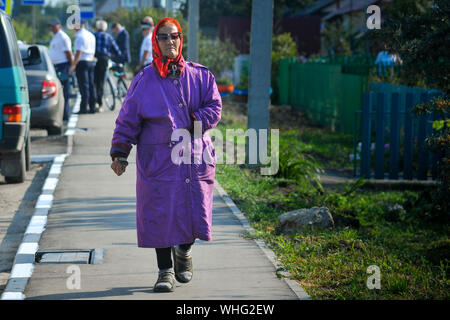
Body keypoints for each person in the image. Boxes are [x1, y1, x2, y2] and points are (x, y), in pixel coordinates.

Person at [110, 17, 222, 293]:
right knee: (159, 213)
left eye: (174, 36)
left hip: (194, 159)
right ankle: (165, 272)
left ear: (180, 39)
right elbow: (128, 119)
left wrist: (191, 123)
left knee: (193, 209)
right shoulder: (145, 80)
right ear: (155, 41)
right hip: (157, 160)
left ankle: (183, 251)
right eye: (163, 37)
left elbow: (215, 107)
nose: (170, 42)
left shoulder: (201, 76)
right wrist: (120, 151)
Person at [69, 19, 97, 114]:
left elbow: (78, 52)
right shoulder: (91, 35)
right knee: (91, 85)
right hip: (90, 60)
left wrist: (73, 65)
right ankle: (92, 107)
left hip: (82, 62)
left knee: (83, 85)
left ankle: (84, 108)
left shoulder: (79, 36)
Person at [94, 20, 121, 112]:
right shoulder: (108, 37)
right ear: (105, 28)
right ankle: (100, 104)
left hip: (94, 59)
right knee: (101, 81)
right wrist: (110, 54)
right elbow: (117, 51)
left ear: (97, 28)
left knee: (94, 81)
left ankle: (94, 103)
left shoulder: (93, 35)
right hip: (104, 59)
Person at [48, 18, 73, 121]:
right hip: (57, 66)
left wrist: (72, 66)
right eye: (51, 26)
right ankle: (60, 113)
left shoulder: (63, 37)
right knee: (58, 90)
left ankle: (65, 114)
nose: (52, 27)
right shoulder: (55, 36)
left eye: (54, 25)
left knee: (64, 91)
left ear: (59, 26)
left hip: (63, 66)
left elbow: (68, 53)